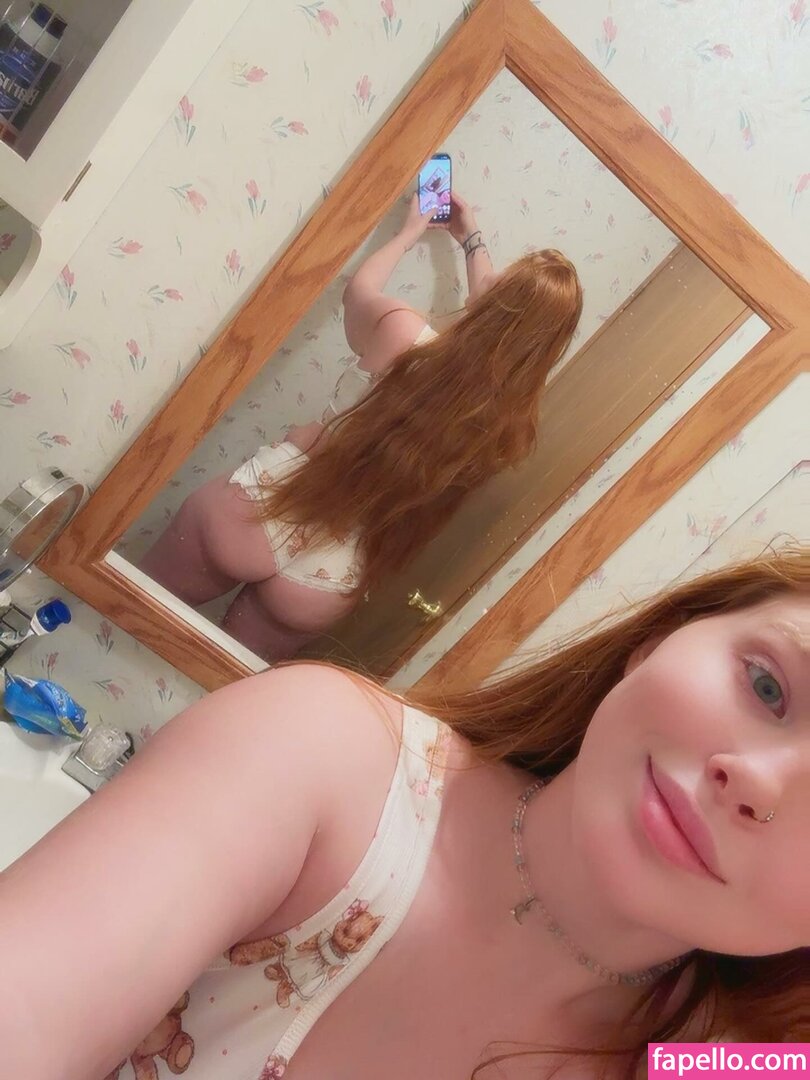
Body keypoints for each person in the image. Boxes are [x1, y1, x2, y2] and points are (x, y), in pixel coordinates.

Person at [1, 545, 807, 1080]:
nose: (758, 783)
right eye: (768, 686)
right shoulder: (325, 750)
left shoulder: (730, 1063)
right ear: (660, 640)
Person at [139, 191, 583, 659]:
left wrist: (410, 232)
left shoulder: (402, 332)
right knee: (214, 679)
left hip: (274, 500)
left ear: (495, 299)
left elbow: (359, 291)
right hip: (329, 576)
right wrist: (470, 238)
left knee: (129, 613)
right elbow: (499, 320)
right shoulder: (509, 434)